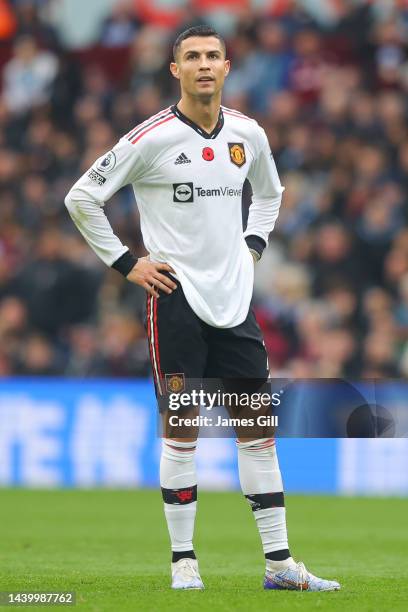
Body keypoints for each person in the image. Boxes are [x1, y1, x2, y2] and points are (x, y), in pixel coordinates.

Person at [65, 25, 340, 592]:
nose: (204, 65)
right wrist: (127, 263)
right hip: (175, 300)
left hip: (234, 300)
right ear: (176, 70)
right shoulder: (151, 138)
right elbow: (81, 197)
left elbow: (270, 194)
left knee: (258, 432)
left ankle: (281, 565)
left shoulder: (247, 133)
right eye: (192, 56)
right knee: (182, 430)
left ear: (228, 65)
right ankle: (184, 563)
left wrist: (254, 246)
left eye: (213, 55)